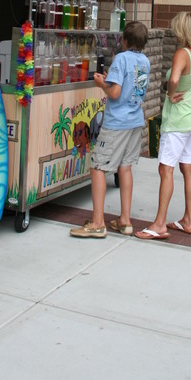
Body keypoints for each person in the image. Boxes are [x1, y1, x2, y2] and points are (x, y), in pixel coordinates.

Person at [135, 11, 191, 240]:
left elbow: (173, 80)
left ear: (184, 31)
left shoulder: (183, 53)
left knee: (166, 169)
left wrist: (171, 94)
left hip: (179, 120)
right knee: (188, 168)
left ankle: (160, 224)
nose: (174, 32)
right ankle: (187, 220)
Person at [70, 21, 150, 238]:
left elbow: (114, 93)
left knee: (97, 167)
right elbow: (129, 87)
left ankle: (97, 222)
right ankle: (125, 220)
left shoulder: (121, 58)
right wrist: (110, 83)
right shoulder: (144, 61)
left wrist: (101, 84)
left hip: (117, 123)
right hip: (135, 121)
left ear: (124, 40)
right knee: (125, 168)